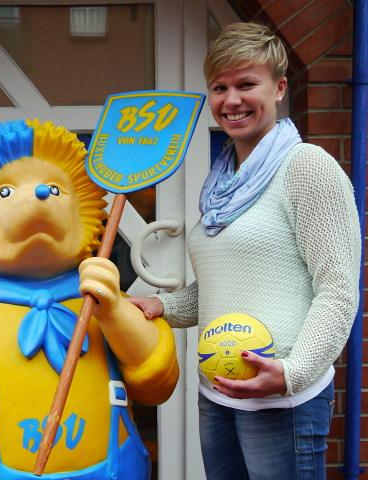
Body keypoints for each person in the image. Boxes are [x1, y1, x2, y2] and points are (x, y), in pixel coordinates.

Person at [129, 22, 360, 480]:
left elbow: (338, 290)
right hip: (217, 396)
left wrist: (291, 374)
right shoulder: (223, 182)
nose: (231, 100)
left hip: (282, 402)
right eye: (219, 87)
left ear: (279, 88)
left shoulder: (307, 168)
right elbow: (225, 287)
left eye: (245, 84)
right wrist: (161, 305)